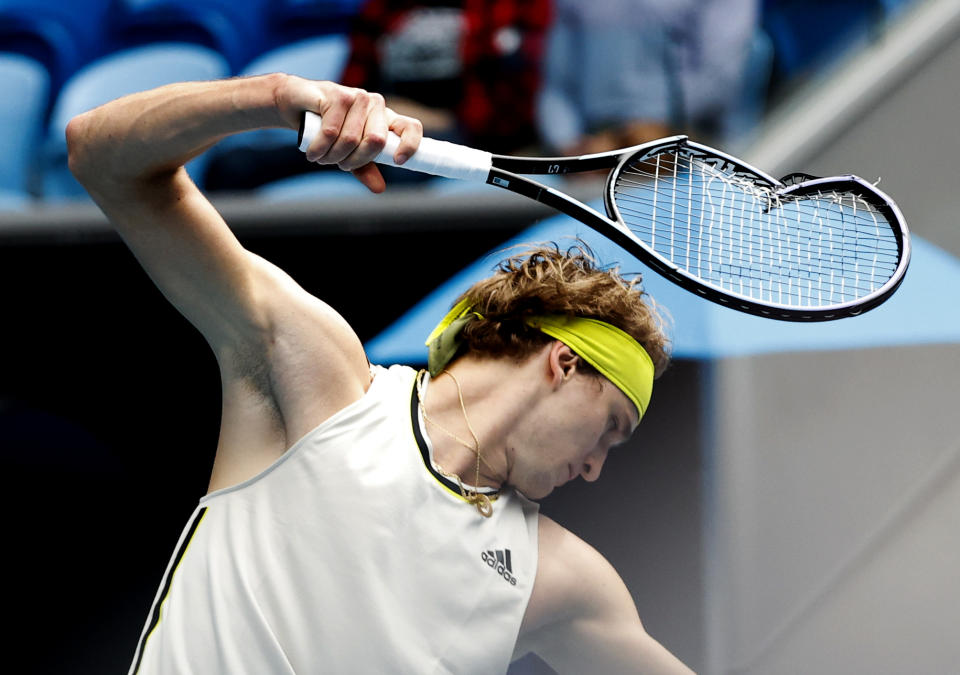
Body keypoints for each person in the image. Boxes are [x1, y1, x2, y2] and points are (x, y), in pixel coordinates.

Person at [66, 74, 694, 674]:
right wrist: (273, 98)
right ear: (564, 363)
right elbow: (99, 153)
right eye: (610, 427)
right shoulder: (323, 380)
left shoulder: (559, 579)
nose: (594, 468)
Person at [536, 0, 760, 156]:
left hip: (690, 145)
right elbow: (556, 87)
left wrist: (627, 139)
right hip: (595, 150)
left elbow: (719, 79)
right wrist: (570, 145)